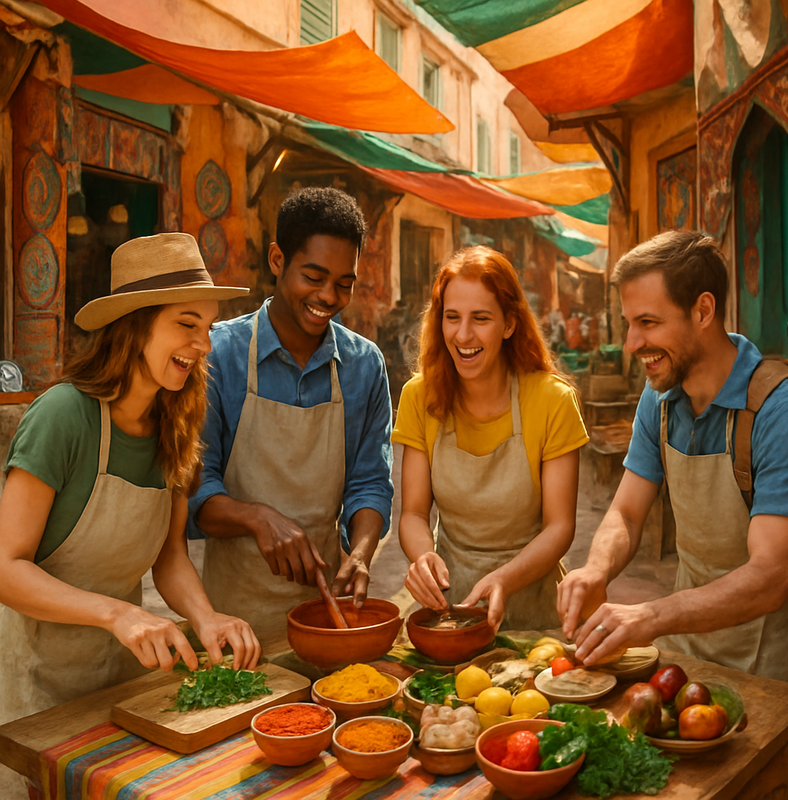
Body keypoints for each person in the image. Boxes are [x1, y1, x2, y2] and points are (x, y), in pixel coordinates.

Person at [0, 234, 259, 794]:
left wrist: (207, 617)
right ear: (136, 323)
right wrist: (118, 614)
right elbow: (6, 567)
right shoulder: (63, 416)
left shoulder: (177, 423)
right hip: (36, 688)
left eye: (209, 327)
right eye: (187, 324)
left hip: (120, 683)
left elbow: (169, 557)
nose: (204, 344)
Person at [557, 230, 788, 684]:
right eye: (629, 324)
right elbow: (626, 511)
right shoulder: (659, 396)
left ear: (704, 310)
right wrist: (596, 568)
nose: (631, 343)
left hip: (769, 656)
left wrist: (650, 615)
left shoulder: (784, 408)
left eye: (648, 323)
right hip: (684, 644)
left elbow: (769, 576)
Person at [189, 188, 394, 637]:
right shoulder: (218, 354)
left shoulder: (363, 365)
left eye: (344, 283)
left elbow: (370, 483)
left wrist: (360, 553)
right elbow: (197, 495)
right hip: (234, 622)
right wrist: (257, 517)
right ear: (277, 259)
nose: (328, 296)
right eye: (314, 277)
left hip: (324, 613)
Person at [392, 246, 588, 631]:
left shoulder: (552, 400)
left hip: (536, 608)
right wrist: (422, 557)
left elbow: (559, 526)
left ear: (510, 324)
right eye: (452, 318)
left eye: (480, 318)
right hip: (451, 609)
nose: (463, 335)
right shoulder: (419, 396)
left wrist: (505, 579)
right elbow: (414, 513)